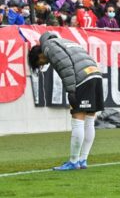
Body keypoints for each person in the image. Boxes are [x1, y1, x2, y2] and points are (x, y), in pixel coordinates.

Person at [28, 32, 103, 170]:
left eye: (39, 63)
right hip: (95, 74)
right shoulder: (63, 41)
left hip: (82, 78)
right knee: (90, 120)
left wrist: (71, 91)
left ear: (39, 55)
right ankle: (83, 160)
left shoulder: (48, 47)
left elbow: (66, 66)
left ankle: (74, 161)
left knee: (78, 119)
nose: (43, 64)